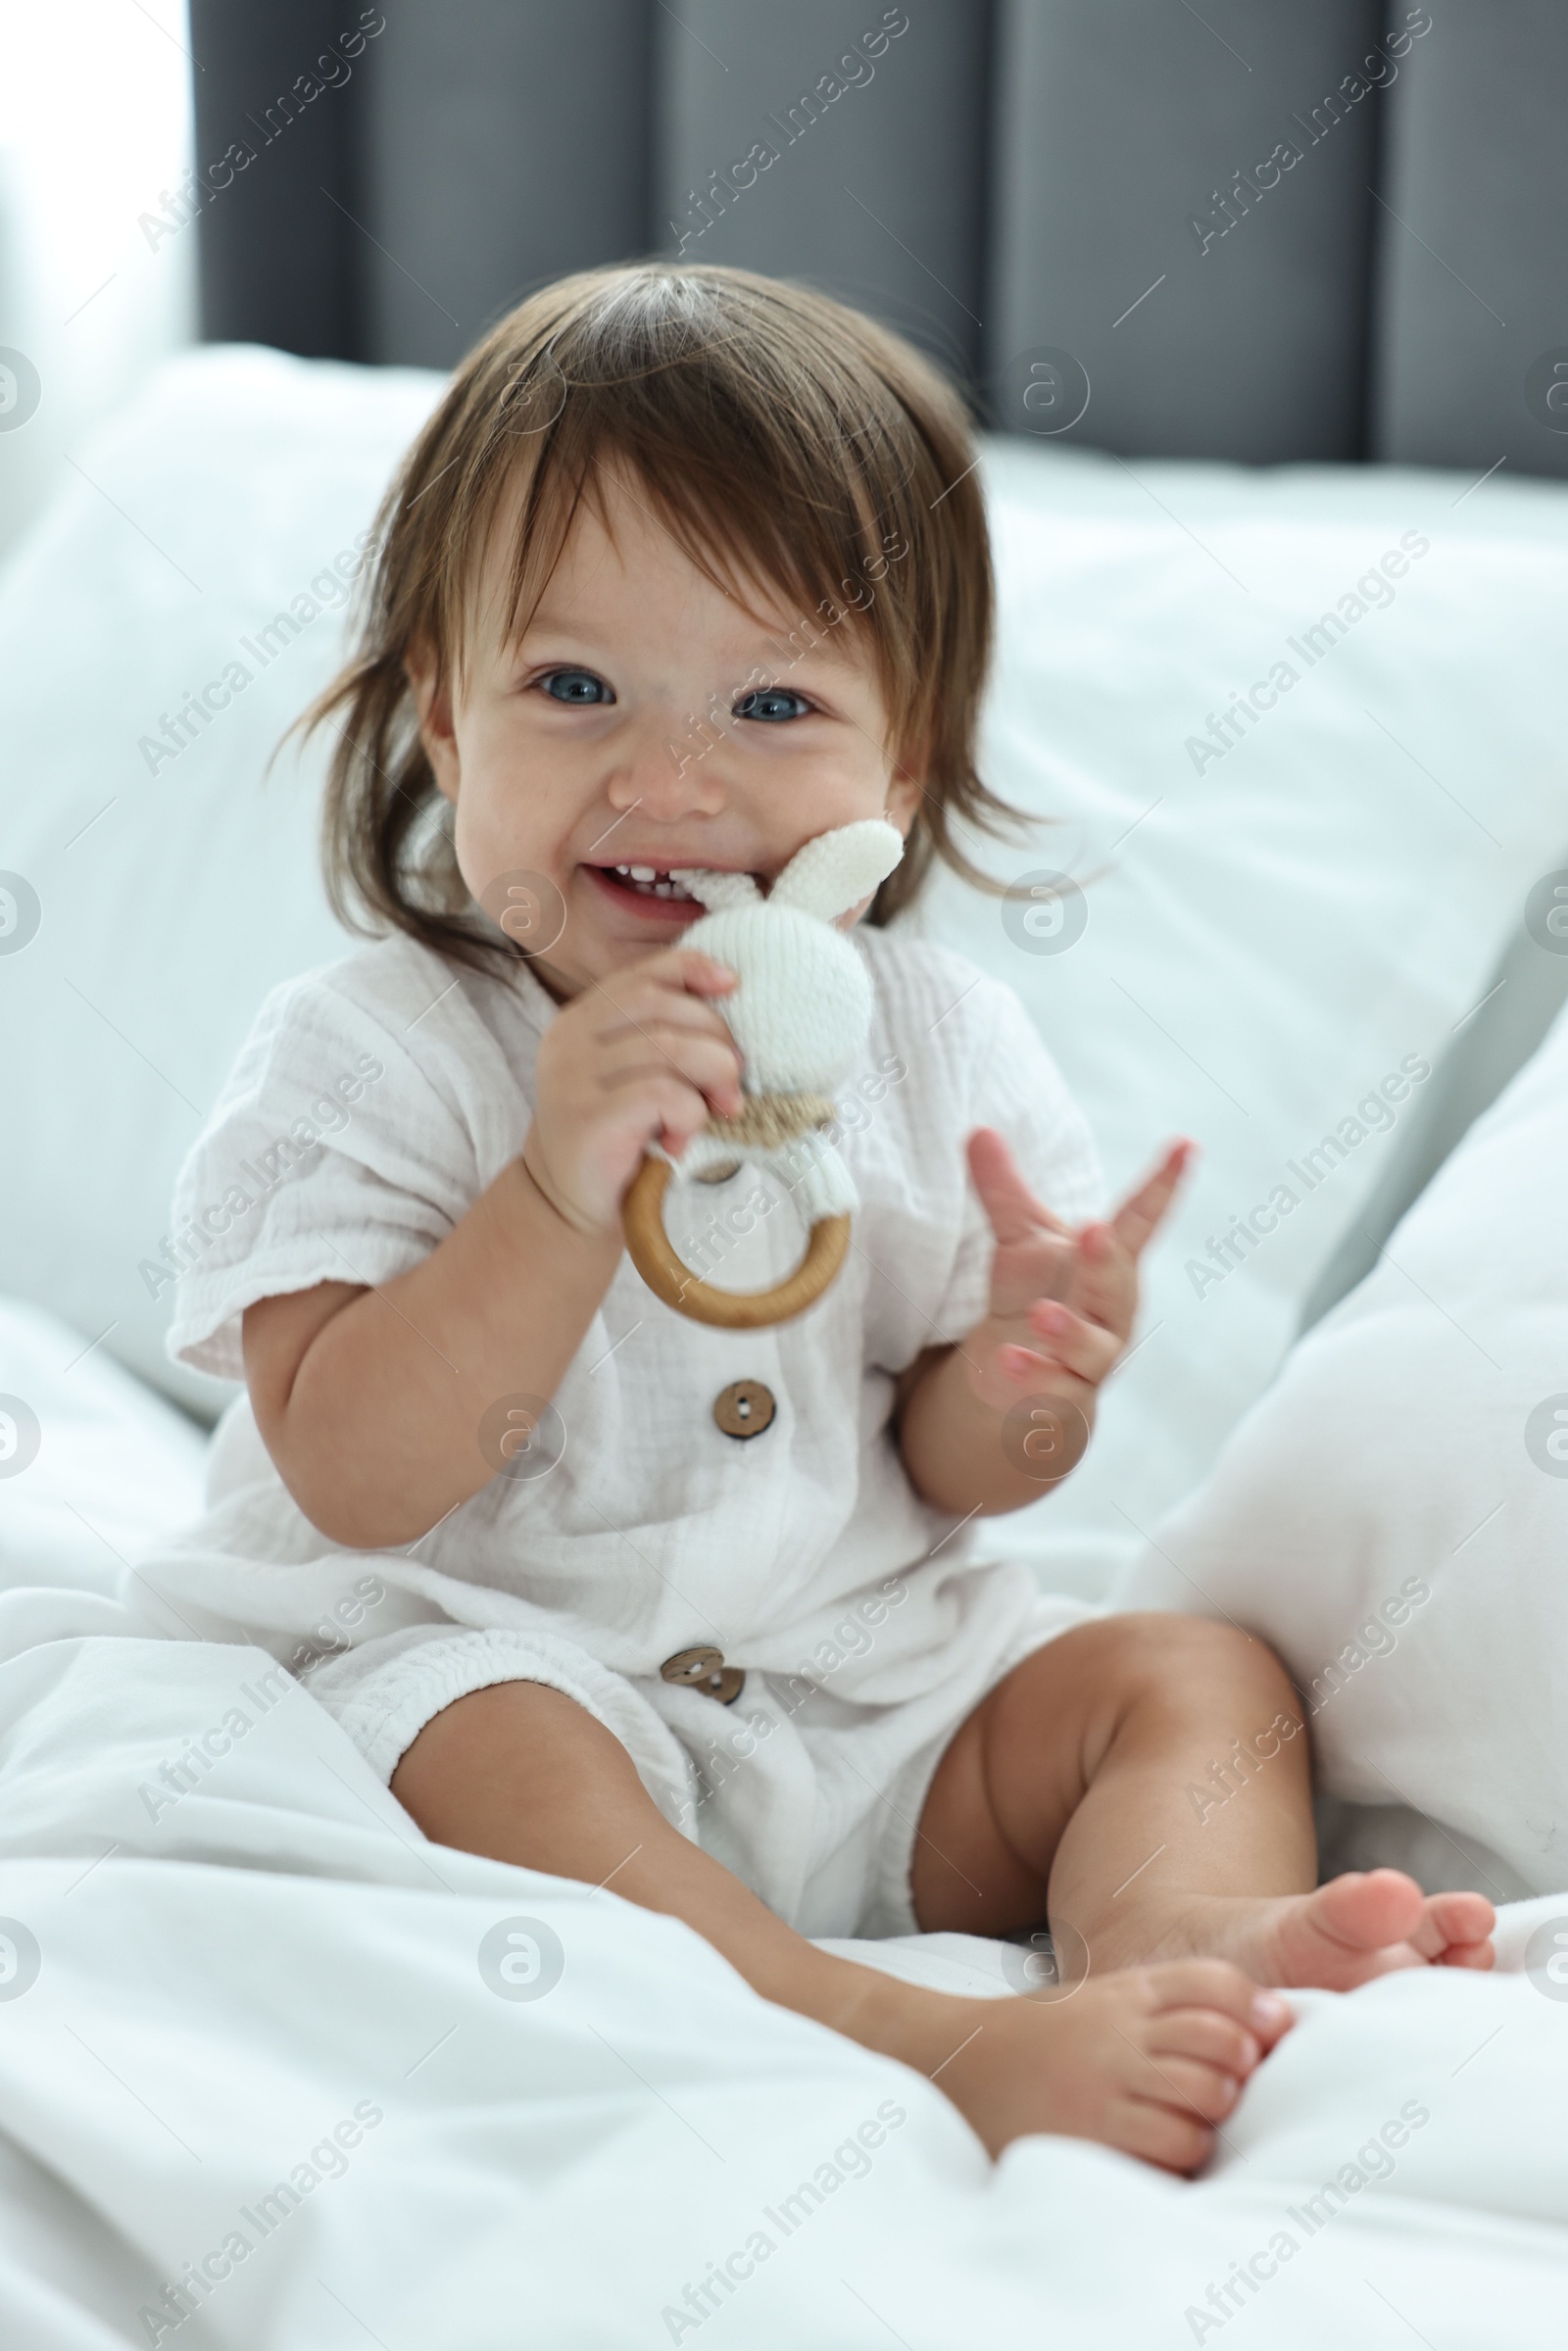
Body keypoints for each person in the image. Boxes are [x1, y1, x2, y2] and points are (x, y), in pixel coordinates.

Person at [154, 264, 1493, 2171]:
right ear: (447, 727)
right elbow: (357, 1477)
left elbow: (964, 1470)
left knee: (1184, 1670)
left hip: (862, 1705)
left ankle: (1159, 1928)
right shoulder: (368, 1058)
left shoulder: (936, 1045)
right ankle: (896, 2027)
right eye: (571, 687)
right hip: (502, 1679)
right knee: (488, 1731)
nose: (668, 779)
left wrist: (1030, 1371)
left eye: (771, 701)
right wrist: (553, 1188)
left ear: (899, 772)